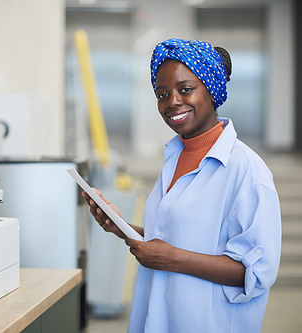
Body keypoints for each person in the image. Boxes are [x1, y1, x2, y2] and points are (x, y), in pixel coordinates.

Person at [82, 38, 282, 333]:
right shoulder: (175, 157)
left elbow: (255, 271)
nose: (172, 101)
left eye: (185, 89)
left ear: (212, 90)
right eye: (162, 94)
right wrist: (122, 227)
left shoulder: (247, 171)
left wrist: (173, 260)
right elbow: (174, 237)